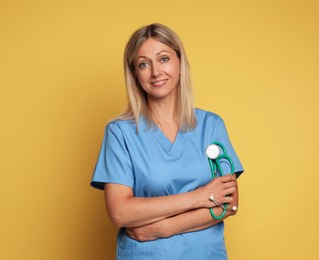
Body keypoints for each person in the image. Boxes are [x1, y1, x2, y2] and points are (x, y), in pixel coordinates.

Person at [90, 23, 244, 260]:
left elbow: (229, 204)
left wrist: (164, 228)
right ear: (134, 74)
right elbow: (121, 212)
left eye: (163, 59)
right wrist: (199, 197)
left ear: (180, 63)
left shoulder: (211, 125)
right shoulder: (119, 133)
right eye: (144, 64)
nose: (155, 72)